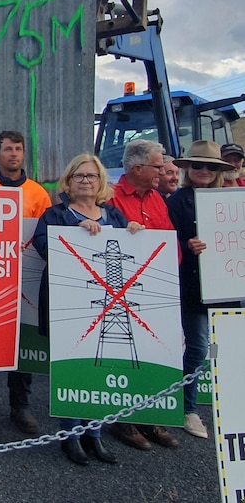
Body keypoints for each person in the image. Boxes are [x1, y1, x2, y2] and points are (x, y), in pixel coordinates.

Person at [33, 153, 140, 465]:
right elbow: (42, 247)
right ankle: (70, 435)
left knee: (99, 370)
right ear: (69, 181)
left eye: (91, 176)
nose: (85, 181)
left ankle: (95, 435)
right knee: (71, 369)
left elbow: (130, 253)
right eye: (79, 176)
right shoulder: (55, 216)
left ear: (101, 182)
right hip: (66, 305)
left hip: (107, 306)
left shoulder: (115, 216)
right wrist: (77, 234)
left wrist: (133, 231)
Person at [0, 130, 51, 435]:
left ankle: (21, 405)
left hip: (24, 279)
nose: (13, 154)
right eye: (7, 149)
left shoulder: (39, 194)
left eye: (18, 149)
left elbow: (45, 238)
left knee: (22, 343)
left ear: (23, 154)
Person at [107, 140, 179, 450]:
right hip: (124, 290)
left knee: (151, 352)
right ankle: (124, 420)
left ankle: (150, 414)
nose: (163, 171)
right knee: (125, 356)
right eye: (158, 166)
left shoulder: (158, 200)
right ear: (138, 169)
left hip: (157, 288)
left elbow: (168, 238)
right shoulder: (109, 199)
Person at [166, 141, 235, 439]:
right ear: (187, 170)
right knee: (197, 347)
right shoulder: (176, 202)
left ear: (219, 171)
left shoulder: (231, 202)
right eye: (197, 165)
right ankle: (188, 409)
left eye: (210, 166)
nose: (203, 171)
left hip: (228, 286)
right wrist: (185, 245)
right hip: (193, 288)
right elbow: (163, 242)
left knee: (227, 349)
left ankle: (228, 404)